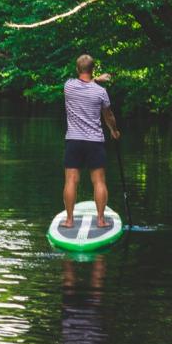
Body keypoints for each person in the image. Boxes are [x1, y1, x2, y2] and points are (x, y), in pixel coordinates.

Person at [62, 54, 121, 229]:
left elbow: (84, 82)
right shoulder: (100, 92)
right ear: (93, 69)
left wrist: (95, 79)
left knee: (71, 180)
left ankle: (69, 220)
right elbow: (108, 115)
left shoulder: (68, 86)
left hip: (73, 140)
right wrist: (114, 131)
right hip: (94, 141)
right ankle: (101, 220)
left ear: (77, 69)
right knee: (99, 181)